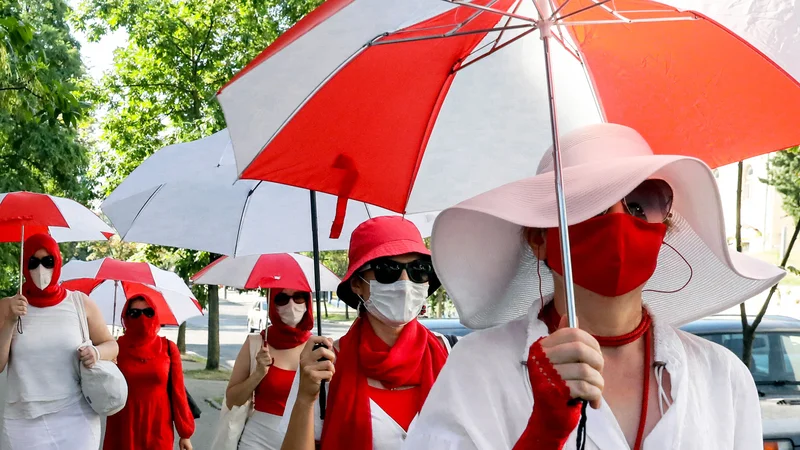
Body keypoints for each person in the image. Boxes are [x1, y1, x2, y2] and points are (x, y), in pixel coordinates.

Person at [403, 123, 780, 449]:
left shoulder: (722, 376)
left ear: (663, 227)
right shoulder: (476, 369)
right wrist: (541, 436)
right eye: (588, 205)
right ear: (538, 238)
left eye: (640, 203)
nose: (618, 222)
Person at [281, 216, 454, 450]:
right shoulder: (324, 364)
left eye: (418, 269)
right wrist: (304, 399)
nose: (404, 282)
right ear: (357, 284)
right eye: (387, 269)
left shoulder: (449, 351)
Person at [0, 233, 119, 449]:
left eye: (48, 262)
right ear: (24, 266)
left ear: (58, 262)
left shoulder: (79, 303)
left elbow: (112, 345)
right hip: (23, 420)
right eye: (33, 262)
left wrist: (96, 353)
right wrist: (9, 321)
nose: (40, 270)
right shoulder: (8, 306)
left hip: (76, 416)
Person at [103, 287, 195, 450]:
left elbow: (178, 393)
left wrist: (185, 433)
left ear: (155, 315)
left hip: (158, 426)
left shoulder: (168, 348)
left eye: (148, 312)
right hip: (124, 424)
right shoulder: (115, 347)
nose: (142, 318)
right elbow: (103, 386)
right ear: (126, 316)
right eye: (135, 313)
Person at [227, 287, 314, 450]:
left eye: (299, 297)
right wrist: (258, 374)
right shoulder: (256, 343)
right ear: (272, 303)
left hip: (302, 439)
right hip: (257, 440)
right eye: (282, 298)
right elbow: (232, 400)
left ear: (308, 302)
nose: (291, 305)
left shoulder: (318, 348)